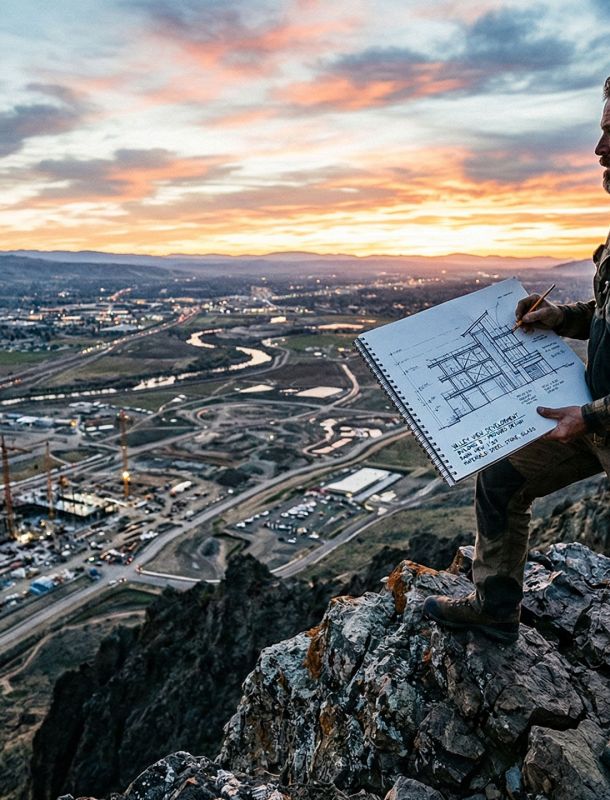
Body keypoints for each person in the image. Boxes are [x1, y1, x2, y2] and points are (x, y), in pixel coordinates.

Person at [423, 76, 610, 644]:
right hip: (593, 418)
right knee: (501, 477)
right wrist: (563, 318)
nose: (599, 151)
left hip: (598, 418)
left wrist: (594, 418)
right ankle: (496, 605)